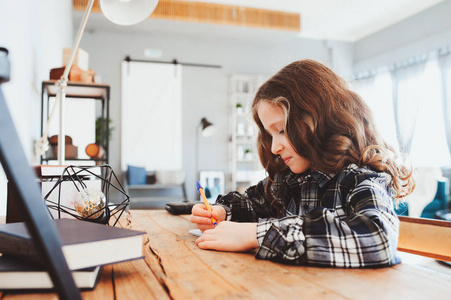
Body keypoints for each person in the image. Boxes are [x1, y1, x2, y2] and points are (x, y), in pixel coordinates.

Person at [190, 59, 415, 268]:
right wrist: (221, 212)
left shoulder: (361, 178)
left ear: (321, 120)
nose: (274, 148)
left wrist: (255, 235)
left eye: (282, 130)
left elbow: (378, 239)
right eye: (270, 135)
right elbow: (254, 202)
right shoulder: (290, 178)